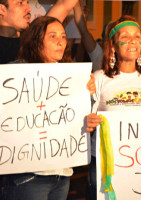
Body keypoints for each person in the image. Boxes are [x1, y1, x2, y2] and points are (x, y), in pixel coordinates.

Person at [0, 15, 95, 200]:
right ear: (36, 40)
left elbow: (79, 120)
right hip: (27, 176)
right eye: (52, 36)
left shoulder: (72, 76)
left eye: (63, 36)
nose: (60, 42)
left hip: (62, 174)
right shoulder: (17, 72)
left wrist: (88, 105)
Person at [86, 15, 141, 200]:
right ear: (113, 46)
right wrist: (88, 121)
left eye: (137, 37)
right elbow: (85, 122)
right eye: (125, 37)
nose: (133, 41)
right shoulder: (99, 78)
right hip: (106, 164)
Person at [0, 0, 79, 64]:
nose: (29, 8)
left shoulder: (34, 37)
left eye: (27, 2)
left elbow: (64, 5)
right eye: (20, 3)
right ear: (2, 9)